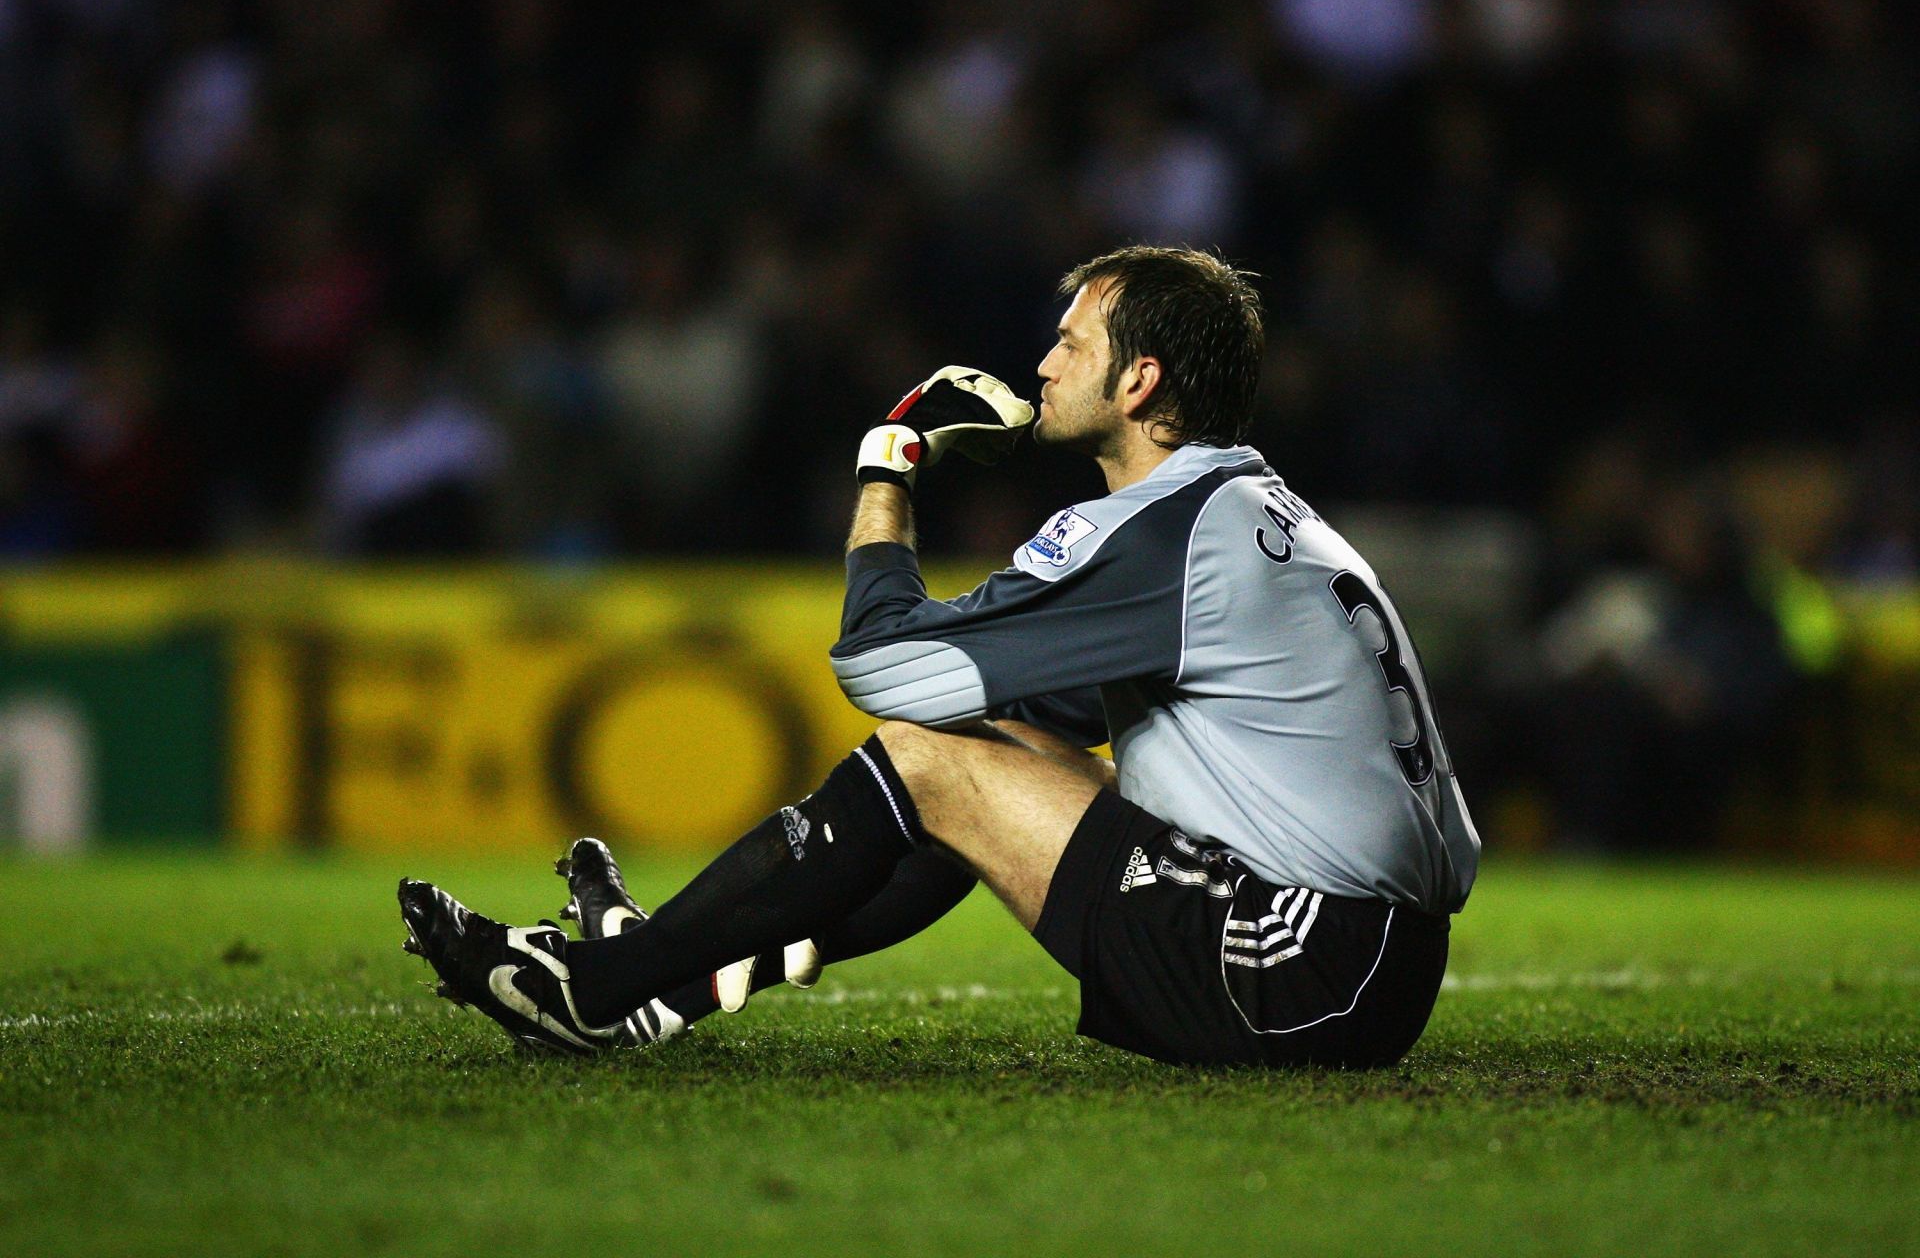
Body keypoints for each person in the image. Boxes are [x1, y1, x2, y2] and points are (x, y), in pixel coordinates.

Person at [400, 246, 1480, 1067]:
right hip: (1373, 960)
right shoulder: (1251, 508)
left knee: (929, 754)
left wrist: (892, 460)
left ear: (1140, 380)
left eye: (1071, 342)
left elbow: (879, 661)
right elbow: (1014, 734)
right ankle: (671, 977)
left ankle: (601, 987)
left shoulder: (1164, 531)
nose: (1044, 361)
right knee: (991, 743)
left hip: (1297, 967)